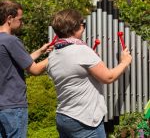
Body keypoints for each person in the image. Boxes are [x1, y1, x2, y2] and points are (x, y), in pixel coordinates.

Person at [47, 9, 132, 138]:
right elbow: (108, 77)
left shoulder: (53, 55)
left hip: (63, 117)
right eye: (83, 24)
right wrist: (124, 62)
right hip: (84, 120)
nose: (84, 27)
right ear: (76, 27)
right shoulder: (82, 51)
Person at [0, 0, 51, 138]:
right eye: (20, 19)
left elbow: (19, 61)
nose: (22, 23)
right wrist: (57, 55)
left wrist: (41, 51)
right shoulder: (11, 40)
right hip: (13, 106)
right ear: (10, 18)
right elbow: (34, 70)